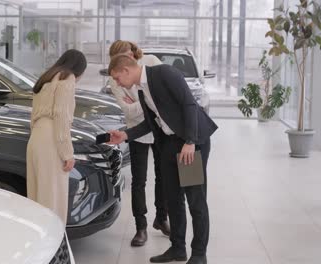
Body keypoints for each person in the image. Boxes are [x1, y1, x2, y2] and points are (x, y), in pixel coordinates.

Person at [107, 55, 217, 264]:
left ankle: (199, 254)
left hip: (190, 144)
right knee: (173, 199)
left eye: (117, 78)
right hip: (169, 144)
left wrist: (190, 142)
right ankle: (177, 249)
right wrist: (126, 134)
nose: (118, 83)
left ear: (126, 70)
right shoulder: (141, 89)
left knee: (195, 200)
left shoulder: (164, 73)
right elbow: (152, 122)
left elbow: (189, 105)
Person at [108, 40, 170, 247]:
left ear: (133, 53)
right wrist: (150, 103)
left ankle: (161, 218)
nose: (126, 61)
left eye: (128, 55)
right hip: (137, 132)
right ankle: (140, 227)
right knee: (139, 180)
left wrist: (140, 104)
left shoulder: (151, 62)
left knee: (163, 176)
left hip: (160, 128)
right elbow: (128, 111)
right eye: (119, 59)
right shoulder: (114, 79)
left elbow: (162, 98)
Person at [26, 49, 87, 225]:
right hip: (51, 139)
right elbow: (61, 117)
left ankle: (38, 241)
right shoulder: (67, 79)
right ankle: (53, 245)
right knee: (52, 197)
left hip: (36, 137)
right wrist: (67, 153)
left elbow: (34, 115)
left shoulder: (46, 78)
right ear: (79, 69)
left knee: (37, 194)